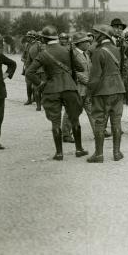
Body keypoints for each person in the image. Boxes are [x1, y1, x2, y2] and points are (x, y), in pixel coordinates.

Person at [26, 25, 88, 160]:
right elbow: (80, 67)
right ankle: (79, 149)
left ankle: (59, 153)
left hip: (52, 89)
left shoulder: (43, 54)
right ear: (56, 37)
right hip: (70, 88)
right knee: (74, 119)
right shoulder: (67, 50)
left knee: (55, 122)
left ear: (44, 38)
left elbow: (29, 72)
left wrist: (41, 84)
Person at [86, 24, 126, 163]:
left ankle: (99, 154)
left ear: (103, 35)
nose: (94, 36)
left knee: (100, 122)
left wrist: (89, 93)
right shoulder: (116, 49)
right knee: (116, 121)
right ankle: (116, 152)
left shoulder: (98, 51)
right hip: (118, 88)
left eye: (97, 34)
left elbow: (95, 76)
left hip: (103, 91)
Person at [61, 32, 95, 143]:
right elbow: (74, 71)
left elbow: (89, 69)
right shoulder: (72, 54)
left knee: (92, 110)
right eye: (86, 42)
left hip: (86, 89)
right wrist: (87, 81)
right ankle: (66, 134)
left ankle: (98, 131)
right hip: (77, 88)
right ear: (79, 43)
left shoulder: (86, 54)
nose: (89, 43)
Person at [22, 30, 36, 105]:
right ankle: (29, 99)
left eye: (29, 37)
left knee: (35, 84)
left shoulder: (37, 45)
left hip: (35, 67)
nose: (27, 38)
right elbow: (23, 55)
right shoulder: (27, 45)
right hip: (28, 66)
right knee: (28, 84)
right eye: (27, 37)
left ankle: (35, 98)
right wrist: (24, 59)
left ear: (32, 37)